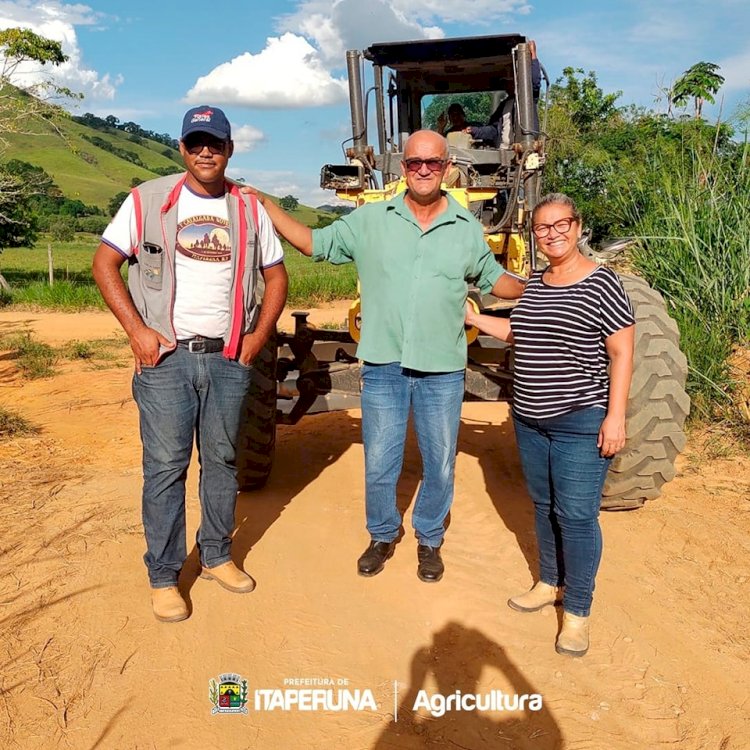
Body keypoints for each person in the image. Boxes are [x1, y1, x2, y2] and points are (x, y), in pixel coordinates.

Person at [245, 130, 525, 583]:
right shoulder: (369, 222)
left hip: (442, 368)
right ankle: (381, 534)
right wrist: (264, 202)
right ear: (402, 168)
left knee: (439, 460)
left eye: (432, 163)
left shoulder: (466, 227)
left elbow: (493, 278)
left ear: (448, 167)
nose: (423, 170)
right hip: (384, 365)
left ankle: (429, 538)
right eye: (414, 162)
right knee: (380, 458)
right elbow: (313, 244)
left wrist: (542, 286)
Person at [92, 105, 288, 623]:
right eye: (196, 142)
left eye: (215, 143)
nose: (206, 151)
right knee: (165, 468)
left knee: (222, 463)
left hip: (227, 359)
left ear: (229, 149)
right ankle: (164, 575)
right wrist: (137, 332)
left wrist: (255, 339)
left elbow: (277, 277)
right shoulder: (147, 200)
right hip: (166, 362)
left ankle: (218, 555)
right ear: (182, 148)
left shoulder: (248, 208)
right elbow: (105, 263)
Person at [465, 193, 634, 656]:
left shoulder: (603, 284)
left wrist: (614, 416)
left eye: (561, 225)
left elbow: (622, 352)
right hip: (530, 418)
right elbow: (522, 331)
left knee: (576, 517)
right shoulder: (537, 281)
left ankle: (577, 613)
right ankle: (548, 582)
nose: (552, 233)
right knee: (543, 506)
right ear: (534, 236)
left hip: (581, 419)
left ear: (578, 228)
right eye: (543, 228)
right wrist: (475, 318)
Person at [466, 40, 541, 149]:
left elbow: (534, 81)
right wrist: (474, 131)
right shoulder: (504, 106)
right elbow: (493, 130)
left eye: (509, 81)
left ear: (517, 80)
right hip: (502, 152)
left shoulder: (527, 99)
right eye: (505, 82)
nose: (506, 85)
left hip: (522, 151)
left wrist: (533, 56)